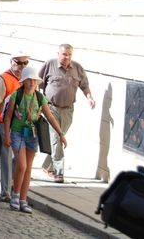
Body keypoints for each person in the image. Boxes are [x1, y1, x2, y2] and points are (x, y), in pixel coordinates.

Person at [4, 67, 67, 213]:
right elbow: (7, 117)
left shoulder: (39, 98)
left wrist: (60, 133)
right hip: (18, 133)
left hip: (32, 135)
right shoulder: (16, 96)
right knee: (22, 165)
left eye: (34, 80)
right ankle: (15, 195)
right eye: (29, 80)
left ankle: (23, 199)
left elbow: (50, 116)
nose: (32, 82)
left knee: (28, 168)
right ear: (24, 81)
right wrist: (7, 135)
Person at [39, 44, 95, 183]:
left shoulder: (77, 68)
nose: (67, 57)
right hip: (51, 108)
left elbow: (84, 85)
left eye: (70, 54)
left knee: (58, 138)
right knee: (57, 138)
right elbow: (37, 83)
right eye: (64, 54)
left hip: (68, 109)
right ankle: (59, 172)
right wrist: (38, 104)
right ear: (58, 53)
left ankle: (47, 165)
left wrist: (89, 97)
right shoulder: (49, 65)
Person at [0, 50, 30, 202]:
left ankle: (17, 188)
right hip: (5, 123)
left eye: (25, 62)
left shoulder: (27, 79)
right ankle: (5, 191)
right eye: (18, 62)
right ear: (12, 62)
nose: (22, 66)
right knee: (7, 156)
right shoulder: (3, 79)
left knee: (20, 158)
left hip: (23, 125)